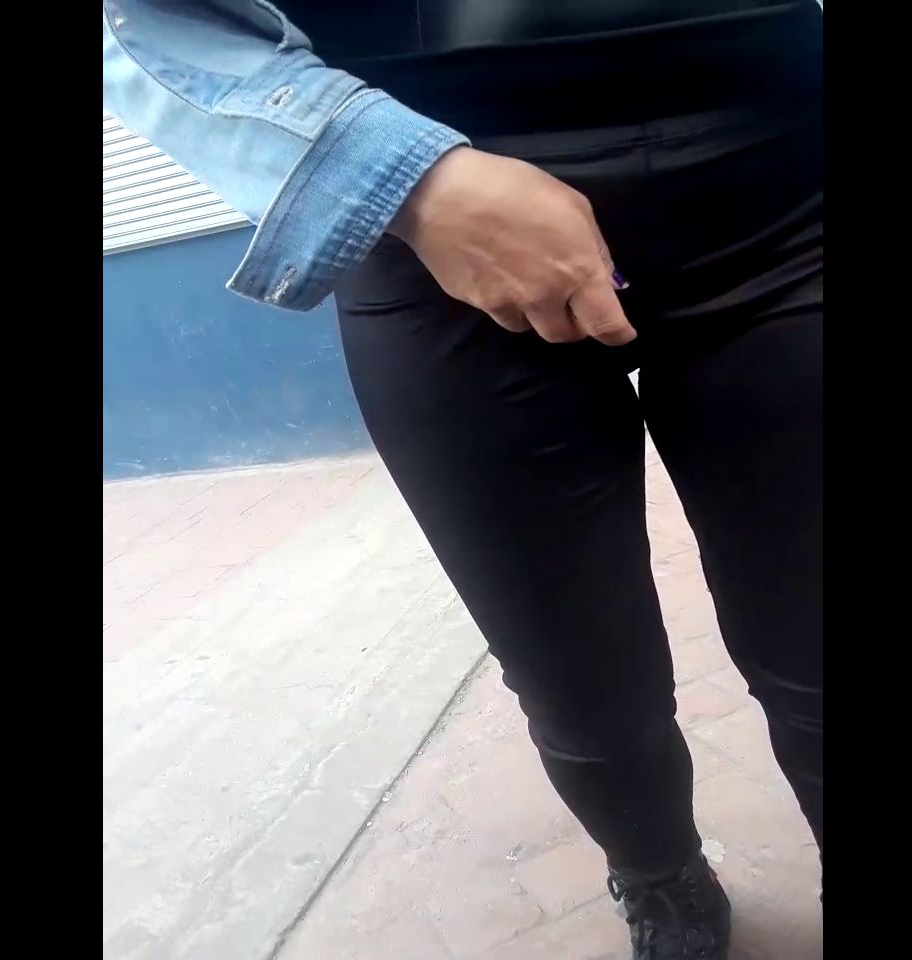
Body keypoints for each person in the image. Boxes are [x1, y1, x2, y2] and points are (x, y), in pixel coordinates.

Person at [103, 2, 823, 956]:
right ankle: (661, 875)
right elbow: (148, 19)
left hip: (782, 170)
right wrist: (409, 182)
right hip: (438, 212)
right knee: (581, 680)